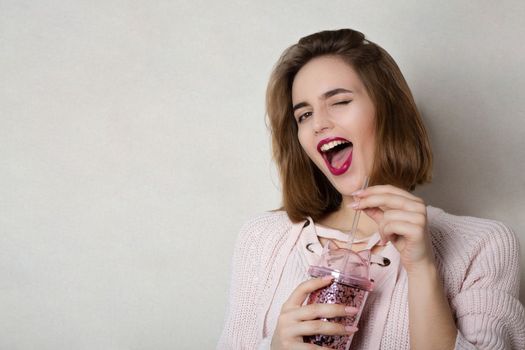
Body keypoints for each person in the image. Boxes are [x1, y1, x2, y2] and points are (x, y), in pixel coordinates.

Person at [217, 29, 525, 350]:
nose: (318, 123)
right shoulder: (263, 238)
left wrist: (422, 269)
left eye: (339, 101)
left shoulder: (483, 244)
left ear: (388, 111)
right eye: (304, 114)